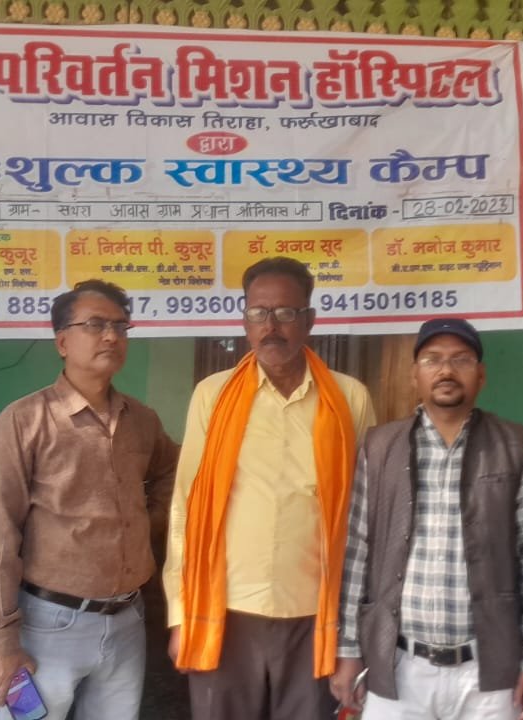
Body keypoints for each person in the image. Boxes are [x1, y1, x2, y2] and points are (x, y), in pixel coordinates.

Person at [164, 256, 378, 719]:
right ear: (244, 321)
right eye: (258, 313)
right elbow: (185, 506)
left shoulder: (349, 398)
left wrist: (353, 633)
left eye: (285, 313)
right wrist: (181, 615)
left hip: (315, 616)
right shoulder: (212, 395)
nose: (271, 327)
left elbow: (365, 516)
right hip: (225, 613)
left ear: (310, 320)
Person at [0, 280, 179, 719]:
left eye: (120, 327)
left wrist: (149, 518)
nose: (111, 337)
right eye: (96, 325)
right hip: (47, 622)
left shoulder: (141, 420)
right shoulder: (24, 421)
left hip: (127, 620)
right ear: (62, 341)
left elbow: (172, 472)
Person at [332, 318, 523, 720]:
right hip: (398, 667)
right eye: (432, 360)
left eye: (461, 359)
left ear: (481, 375)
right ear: (414, 375)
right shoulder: (378, 448)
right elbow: (357, 551)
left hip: (488, 673)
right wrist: (348, 649)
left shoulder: (516, 446)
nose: (446, 370)